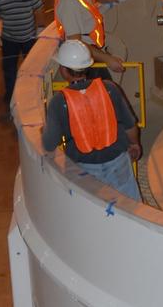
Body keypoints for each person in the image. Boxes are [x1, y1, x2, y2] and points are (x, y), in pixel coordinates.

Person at [42, 40, 142, 201]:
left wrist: (43, 131)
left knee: (90, 208)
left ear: (63, 70)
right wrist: (134, 144)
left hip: (83, 168)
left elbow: (49, 144)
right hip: (118, 162)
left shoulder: (59, 102)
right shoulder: (110, 88)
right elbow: (130, 126)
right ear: (88, 66)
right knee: (131, 207)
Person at [0, 0, 45, 118]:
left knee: (32, 67)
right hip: (9, 40)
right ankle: (11, 96)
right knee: (9, 70)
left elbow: (38, 9)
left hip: (29, 38)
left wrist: (40, 28)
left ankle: (32, 94)